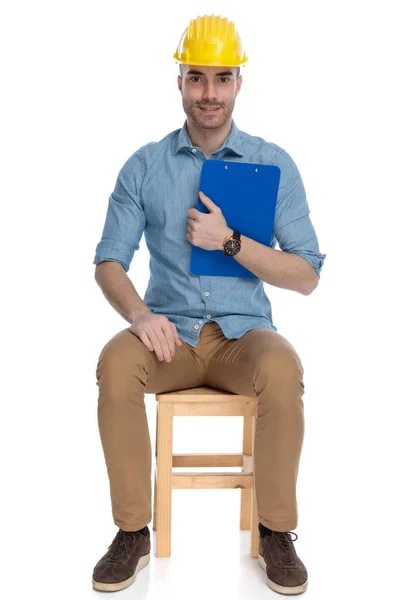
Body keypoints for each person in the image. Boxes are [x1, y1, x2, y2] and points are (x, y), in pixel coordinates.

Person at [91, 13, 326, 596]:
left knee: (283, 365)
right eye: (197, 78)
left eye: (222, 79)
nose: (209, 94)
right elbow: (108, 261)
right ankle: (131, 531)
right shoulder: (144, 166)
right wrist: (142, 317)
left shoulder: (273, 163)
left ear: (239, 83)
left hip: (243, 339)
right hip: (168, 338)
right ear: (179, 81)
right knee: (115, 364)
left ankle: (275, 531)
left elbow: (307, 275)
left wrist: (229, 241)